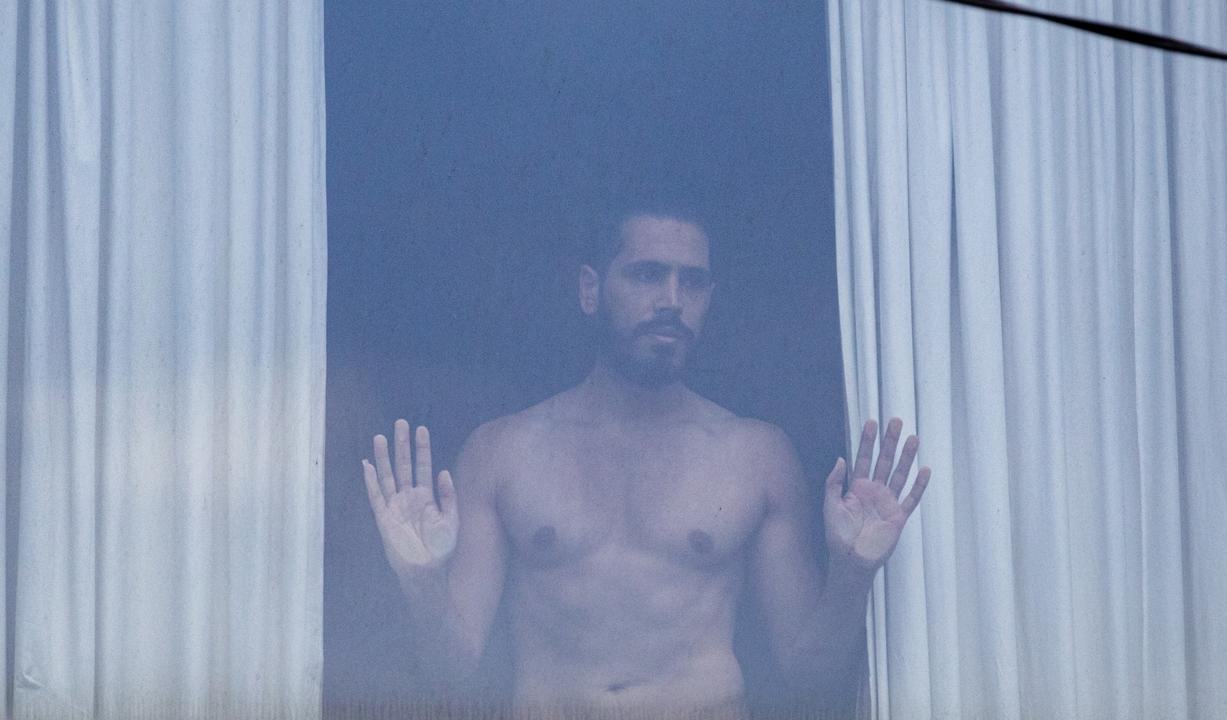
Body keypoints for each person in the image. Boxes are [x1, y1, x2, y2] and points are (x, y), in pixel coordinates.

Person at [361, 208, 931, 718]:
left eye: (694, 281)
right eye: (647, 274)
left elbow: (810, 677)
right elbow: (450, 671)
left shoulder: (755, 454)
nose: (672, 300)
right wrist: (421, 580)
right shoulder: (504, 450)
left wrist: (854, 573)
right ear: (591, 289)